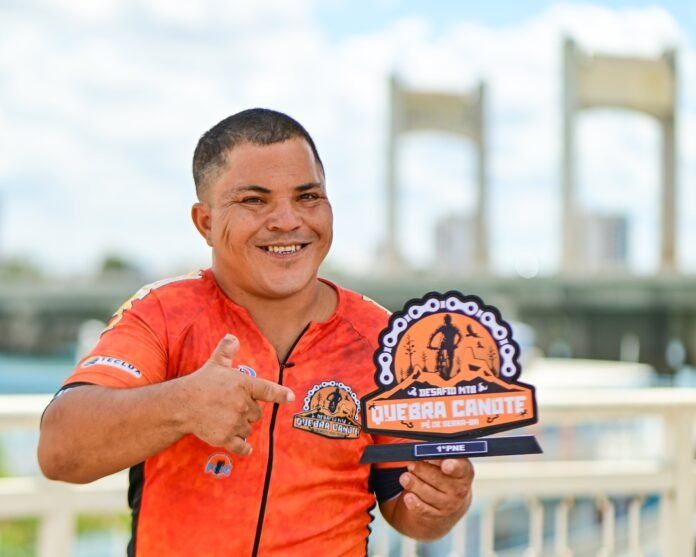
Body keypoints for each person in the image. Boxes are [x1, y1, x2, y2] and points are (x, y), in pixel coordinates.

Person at [37, 108, 474, 556]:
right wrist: (183, 404)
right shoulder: (164, 313)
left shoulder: (385, 339)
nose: (287, 220)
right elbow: (59, 450)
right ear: (206, 222)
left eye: (308, 196)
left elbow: (410, 509)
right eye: (254, 200)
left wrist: (443, 500)